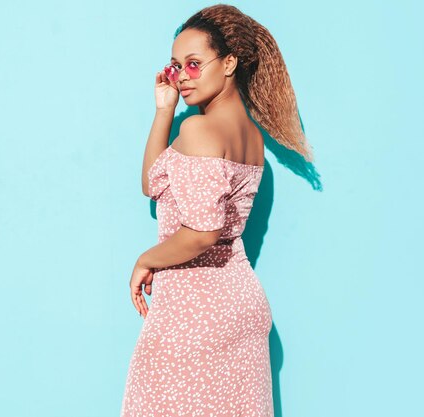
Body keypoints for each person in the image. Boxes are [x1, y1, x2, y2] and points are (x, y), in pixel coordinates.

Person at [120, 4, 314, 417]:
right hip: (240, 306)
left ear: (229, 63)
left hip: (195, 312)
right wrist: (164, 109)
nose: (181, 77)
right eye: (175, 67)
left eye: (193, 65)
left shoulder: (200, 129)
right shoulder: (251, 137)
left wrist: (145, 259)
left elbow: (203, 232)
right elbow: (154, 183)